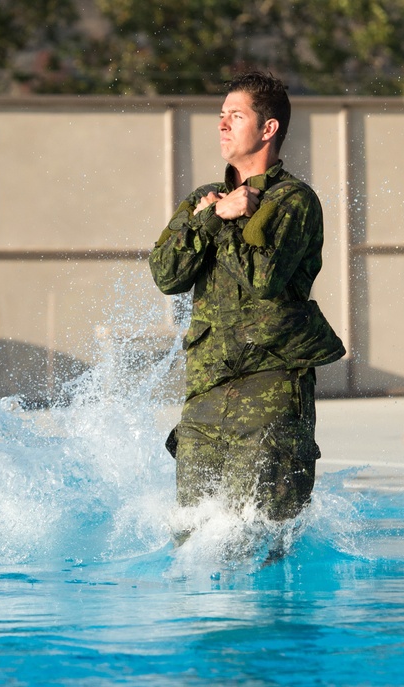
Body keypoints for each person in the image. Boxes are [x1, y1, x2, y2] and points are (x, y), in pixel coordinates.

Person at [148, 71, 345, 521]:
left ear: (268, 128)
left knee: (260, 537)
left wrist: (226, 218)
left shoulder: (293, 200)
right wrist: (214, 215)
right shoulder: (205, 199)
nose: (222, 125)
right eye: (221, 116)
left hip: (270, 388)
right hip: (206, 392)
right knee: (193, 535)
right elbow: (166, 274)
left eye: (235, 116)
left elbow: (263, 278)